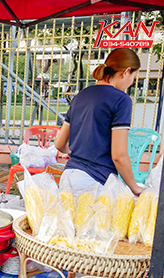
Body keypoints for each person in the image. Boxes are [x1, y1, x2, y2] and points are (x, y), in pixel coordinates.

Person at [55, 48, 142, 196]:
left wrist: (77, 152)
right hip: (94, 184)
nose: (132, 82)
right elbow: (119, 155)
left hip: (68, 178)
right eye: (134, 76)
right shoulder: (121, 99)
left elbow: (59, 144)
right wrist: (135, 188)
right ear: (126, 71)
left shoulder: (80, 96)